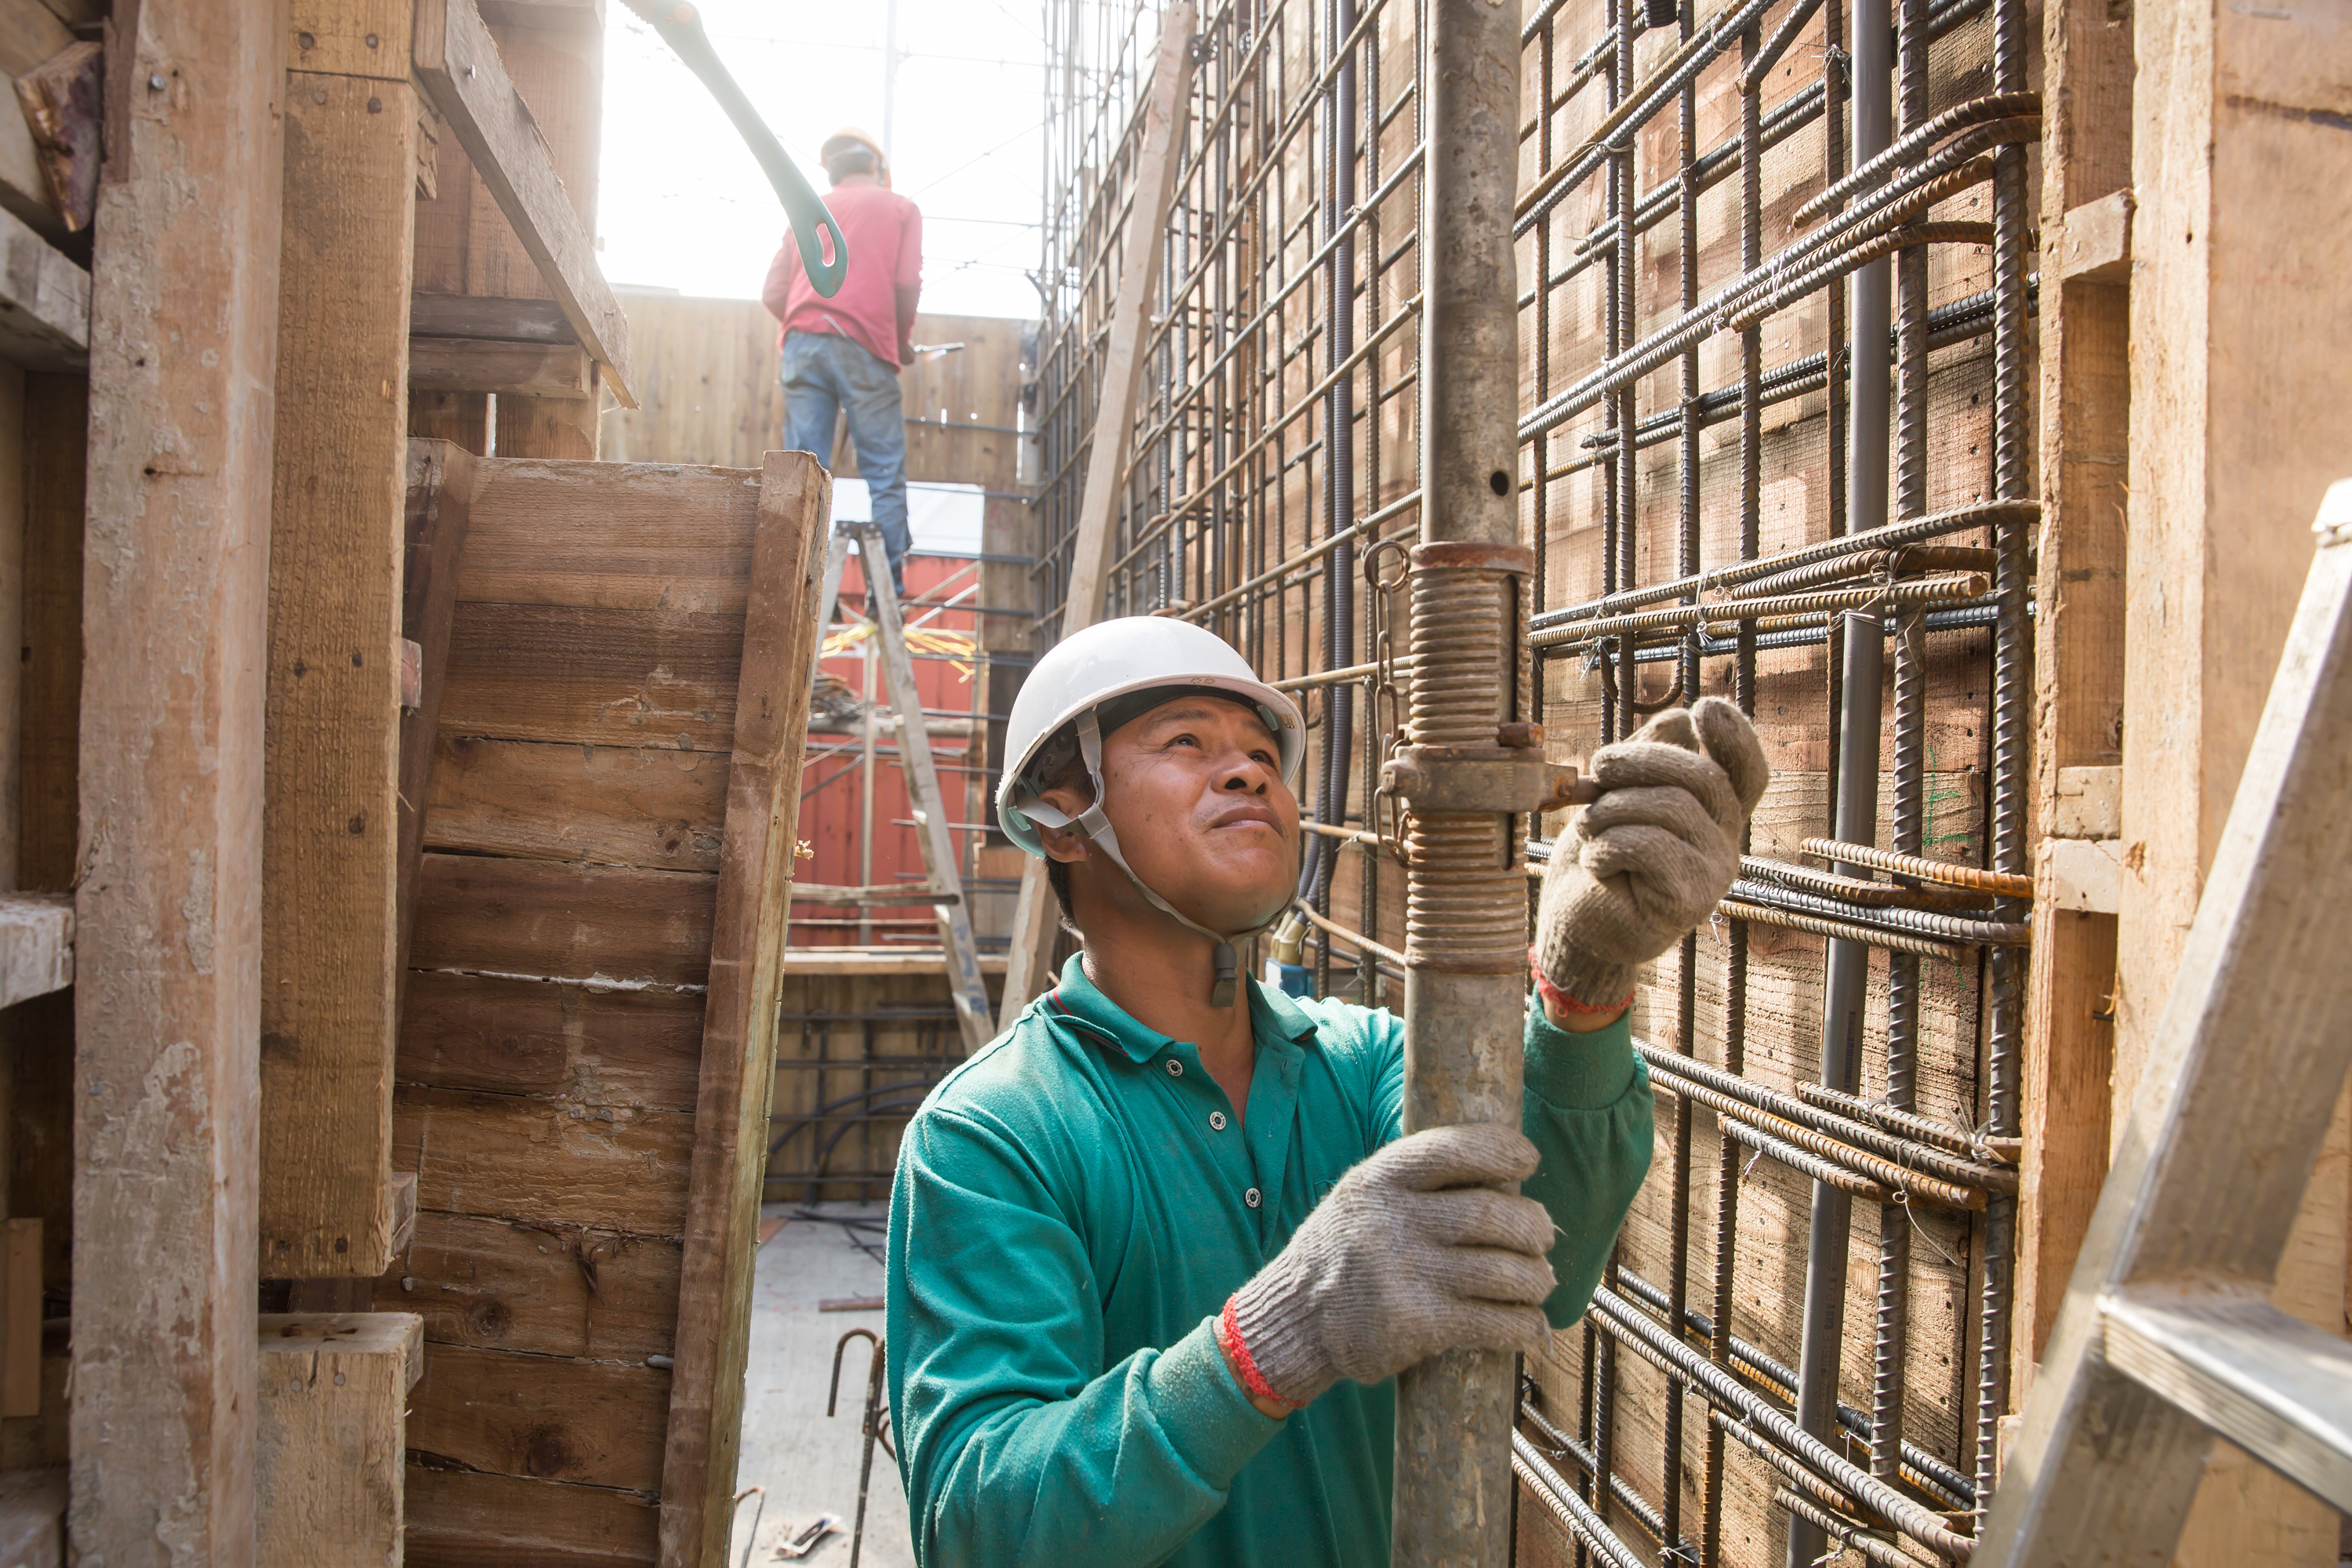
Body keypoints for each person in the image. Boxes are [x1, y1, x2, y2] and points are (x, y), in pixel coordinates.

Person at [885, 616, 1769, 1566]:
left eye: (1264, 753)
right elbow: (980, 1524)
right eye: (1186, 741)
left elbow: (1536, 1242)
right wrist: (1279, 1334)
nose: (1249, 772)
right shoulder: (994, 1133)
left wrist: (1583, 979)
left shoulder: (1364, 1061)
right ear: (1061, 816)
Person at [763, 126, 923, 599]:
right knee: (884, 472)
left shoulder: (805, 212)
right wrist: (899, 340)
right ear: (876, 167)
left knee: (802, 470)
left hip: (803, 346)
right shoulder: (900, 209)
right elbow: (905, 284)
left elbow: (773, 292)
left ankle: (794, 587)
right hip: (866, 347)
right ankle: (887, 594)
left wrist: (808, 319)